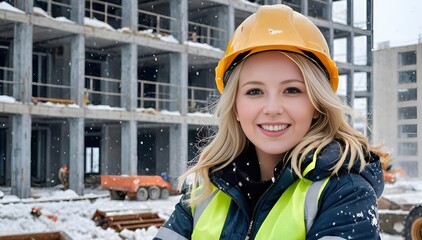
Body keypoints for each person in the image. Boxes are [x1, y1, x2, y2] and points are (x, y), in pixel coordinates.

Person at [154, 4, 385, 240]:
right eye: (254, 91)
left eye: (292, 90)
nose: (272, 109)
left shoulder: (346, 192)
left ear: (317, 104)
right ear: (235, 107)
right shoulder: (204, 190)